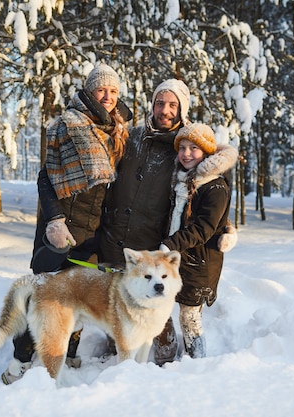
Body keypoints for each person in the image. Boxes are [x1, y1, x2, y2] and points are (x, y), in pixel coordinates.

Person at [0, 63, 132, 384]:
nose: (108, 96)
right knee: (44, 298)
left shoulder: (119, 132)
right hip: (63, 228)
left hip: (95, 232)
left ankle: (68, 354)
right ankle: (20, 361)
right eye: (101, 89)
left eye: (113, 91)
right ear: (89, 91)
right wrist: (55, 220)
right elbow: (46, 177)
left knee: (80, 297)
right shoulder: (66, 125)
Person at [98, 78, 191, 365]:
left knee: (156, 312)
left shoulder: (184, 147)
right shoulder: (132, 136)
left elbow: (207, 183)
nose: (165, 110)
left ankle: (166, 361)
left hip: (152, 245)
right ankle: (118, 355)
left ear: (181, 110)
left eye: (172, 105)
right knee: (116, 303)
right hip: (115, 237)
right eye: (160, 103)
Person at [159, 123, 238, 358]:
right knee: (161, 306)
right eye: (182, 147)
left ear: (207, 152)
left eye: (194, 148)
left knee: (189, 316)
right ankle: (167, 354)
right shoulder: (182, 180)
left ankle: (197, 360)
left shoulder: (214, 186)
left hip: (200, 263)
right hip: (177, 258)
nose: (186, 153)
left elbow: (204, 228)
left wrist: (171, 243)